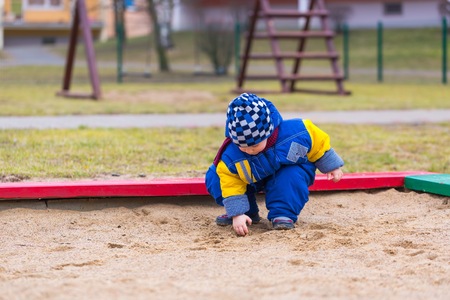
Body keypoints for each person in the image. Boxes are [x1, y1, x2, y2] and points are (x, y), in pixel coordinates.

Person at [205, 93, 344, 236]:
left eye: (254, 145)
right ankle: (246, 214)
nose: (248, 150)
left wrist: (331, 165)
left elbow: (318, 143)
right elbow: (230, 182)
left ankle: (283, 213)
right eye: (242, 146)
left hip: (285, 171)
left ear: (268, 133)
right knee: (215, 176)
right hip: (253, 176)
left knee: (291, 176)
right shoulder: (232, 155)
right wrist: (237, 213)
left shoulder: (296, 132)